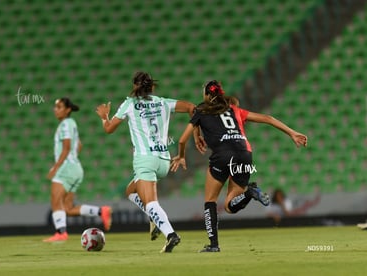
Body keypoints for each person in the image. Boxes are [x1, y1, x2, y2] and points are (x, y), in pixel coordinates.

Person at [171, 80, 308, 252]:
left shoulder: (201, 110)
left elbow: (182, 139)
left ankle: (214, 245)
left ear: (207, 94)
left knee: (210, 201)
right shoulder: (234, 110)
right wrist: (292, 133)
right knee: (230, 205)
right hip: (245, 154)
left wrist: (181, 156)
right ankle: (249, 193)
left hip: (222, 156)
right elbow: (267, 118)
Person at [96, 71, 195, 252]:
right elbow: (191, 107)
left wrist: (104, 117)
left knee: (151, 202)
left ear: (134, 86)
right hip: (164, 161)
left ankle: (171, 234)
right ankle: (154, 218)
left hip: (145, 160)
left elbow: (109, 129)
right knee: (130, 191)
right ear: (152, 87)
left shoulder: (129, 104)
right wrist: (196, 134)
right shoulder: (162, 102)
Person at [43, 97, 112, 242]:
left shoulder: (65, 124)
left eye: (59, 107)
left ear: (68, 110)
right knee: (67, 208)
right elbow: (78, 145)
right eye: (55, 107)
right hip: (75, 168)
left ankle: (60, 233)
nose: (56, 110)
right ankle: (101, 211)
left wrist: (56, 167)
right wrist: (72, 159)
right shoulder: (71, 124)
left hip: (66, 168)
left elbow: (67, 147)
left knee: (56, 202)